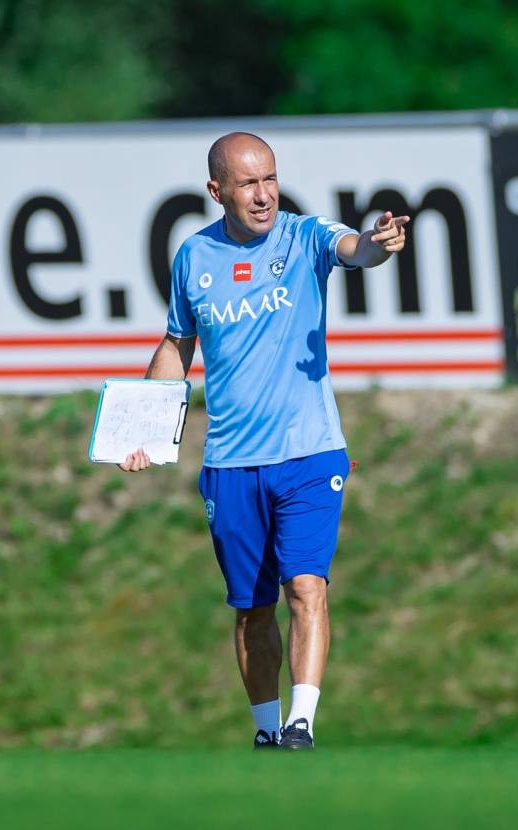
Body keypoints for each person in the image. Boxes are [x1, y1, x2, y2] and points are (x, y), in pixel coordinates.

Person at [119, 132, 408, 750]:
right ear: (217, 190)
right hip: (230, 463)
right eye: (248, 183)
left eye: (270, 179)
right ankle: (266, 731)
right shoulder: (193, 257)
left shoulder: (305, 237)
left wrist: (377, 244)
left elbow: (354, 251)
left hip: (309, 453)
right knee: (251, 609)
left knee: (306, 585)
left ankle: (302, 722)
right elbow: (177, 343)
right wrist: (142, 430)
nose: (264, 194)